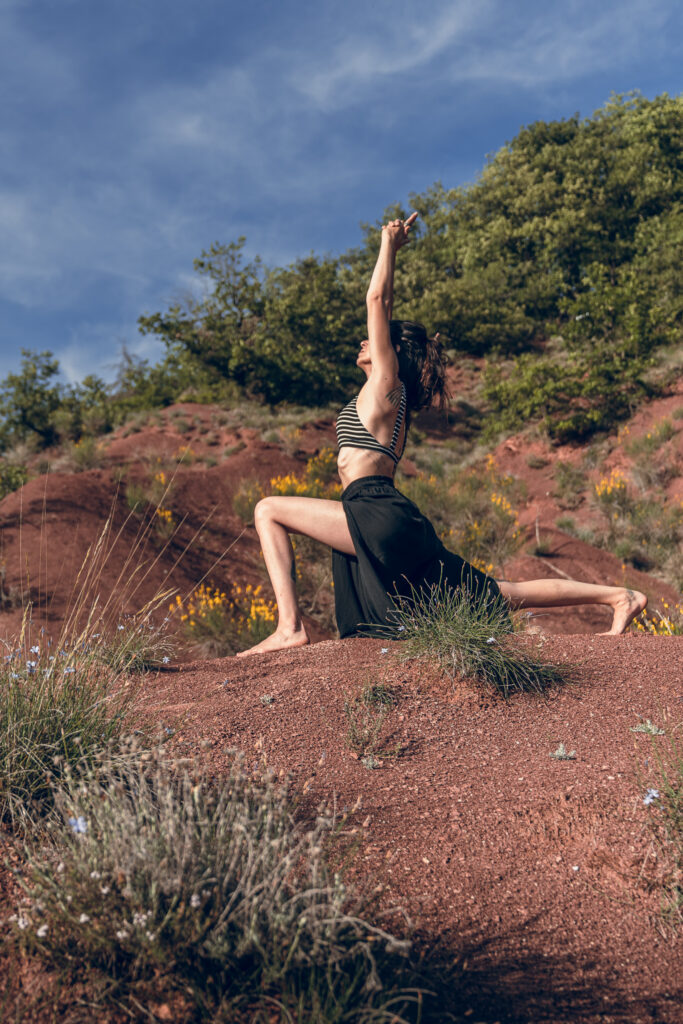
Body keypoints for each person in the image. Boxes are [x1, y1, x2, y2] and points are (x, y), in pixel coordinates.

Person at [237, 214, 646, 657]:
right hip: (387, 516)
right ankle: (617, 597)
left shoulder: (386, 387)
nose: (362, 343)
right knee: (499, 592)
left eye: (371, 341)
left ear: (388, 351)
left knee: (268, 509)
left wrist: (388, 244)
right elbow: (381, 308)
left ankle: (290, 627)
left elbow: (378, 299)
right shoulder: (391, 398)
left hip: (375, 510)